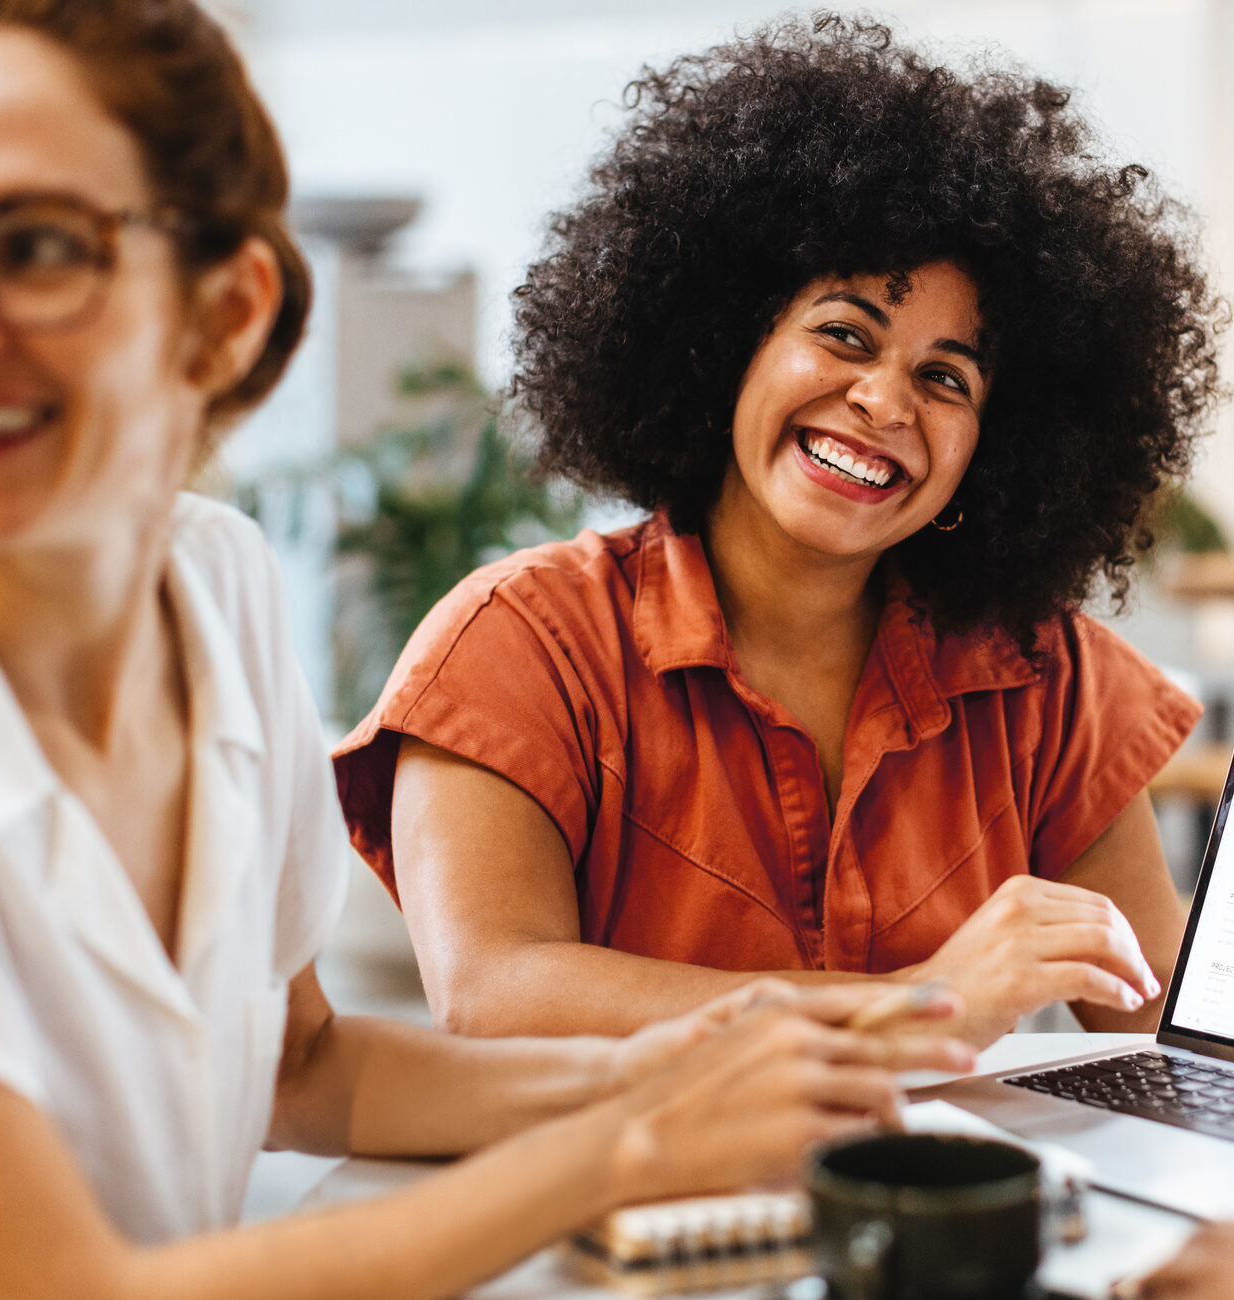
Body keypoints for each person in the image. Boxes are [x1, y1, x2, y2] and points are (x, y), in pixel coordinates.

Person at [0, 3, 977, 1298]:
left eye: (30, 248)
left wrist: (683, 1061)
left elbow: (301, 1068)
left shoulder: (212, 587)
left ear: (226, 311)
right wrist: (629, 1144)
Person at [333, 15, 1224, 1050]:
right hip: (635, 1203)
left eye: (944, 378)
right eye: (842, 333)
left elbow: (1161, 1010)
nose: (884, 402)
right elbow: (494, 991)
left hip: (950, 1200)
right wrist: (911, 1004)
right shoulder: (517, 645)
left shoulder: (1042, 675)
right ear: (723, 347)